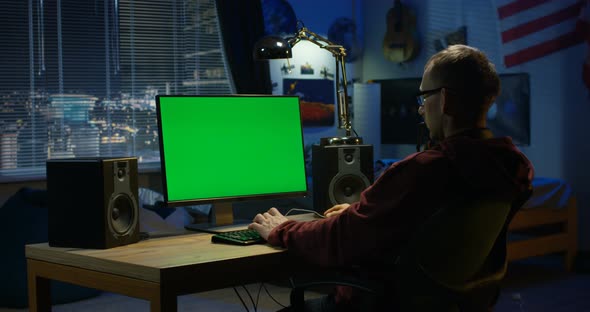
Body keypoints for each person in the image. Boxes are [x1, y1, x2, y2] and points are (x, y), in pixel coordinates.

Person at [248, 44, 535, 311]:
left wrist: (282, 228)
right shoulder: (513, 166)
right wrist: (364, 214)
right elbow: (435, 230)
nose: (421, 109)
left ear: (444, 100)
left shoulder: (422, 170)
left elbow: (338, 239)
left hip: (383, 302)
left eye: (424, 97)